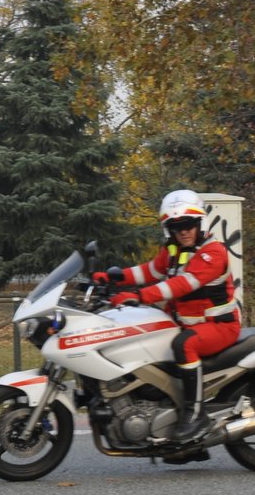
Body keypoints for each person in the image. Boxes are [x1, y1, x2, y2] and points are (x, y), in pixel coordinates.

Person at [98, 188, 239, 443]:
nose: (183, 230)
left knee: (184, 345)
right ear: (169, 229)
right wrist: (112, 277)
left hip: (219, 326)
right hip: (185, 324)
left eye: (188, 224)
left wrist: (139, 296)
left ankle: (195, 415)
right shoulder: (173, 250)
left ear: (199, 223)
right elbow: (149, 271)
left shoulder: (213, 252)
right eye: (176, 226)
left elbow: (182, 284)